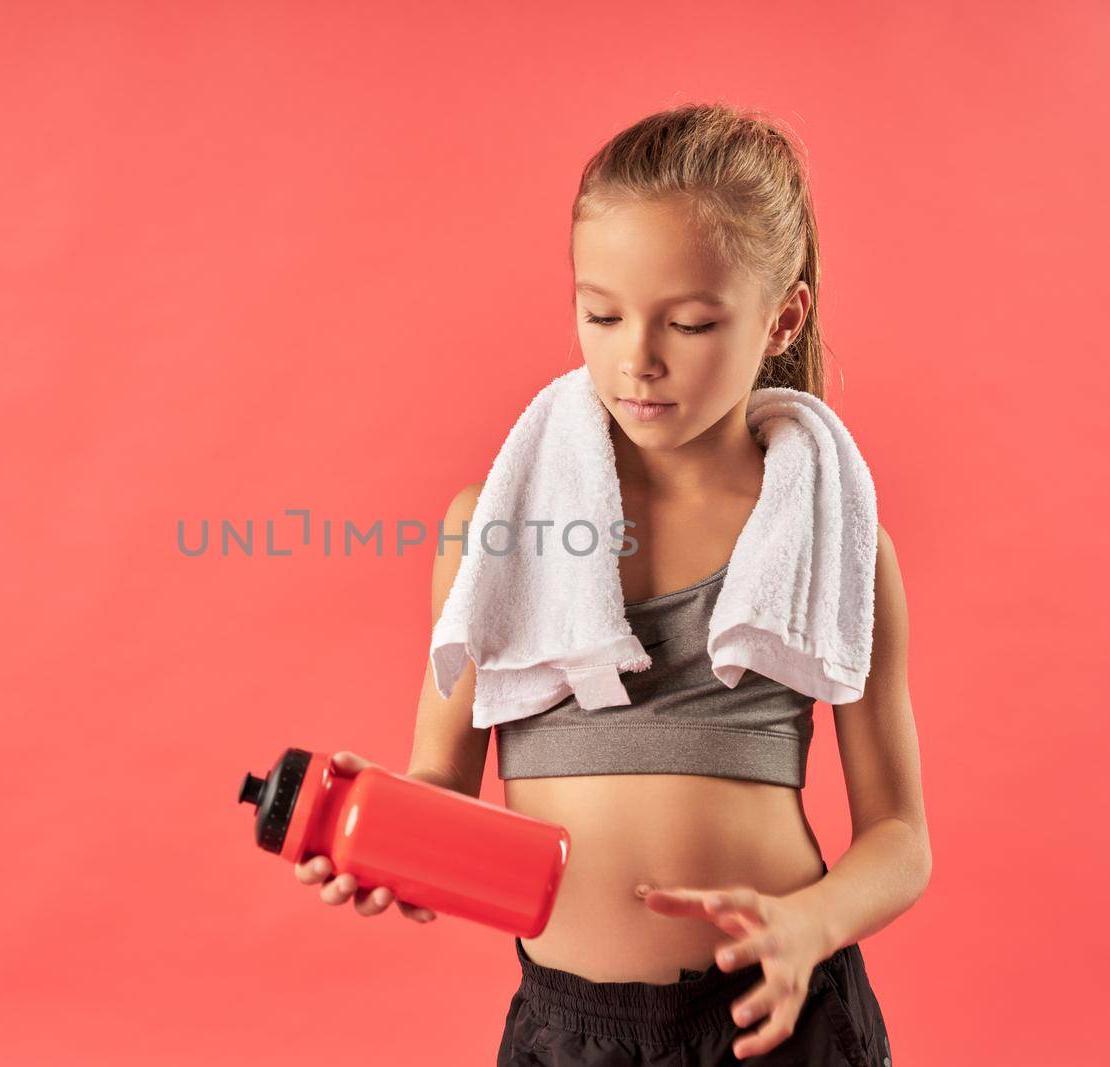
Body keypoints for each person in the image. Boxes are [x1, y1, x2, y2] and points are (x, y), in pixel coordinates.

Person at [294, 102, 929, 1065]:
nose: (637, 356)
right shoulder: (496, 529)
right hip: (569, 1032)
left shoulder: (829, 537)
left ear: (782, 316)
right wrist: (394, 848)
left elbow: (899, 837)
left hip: (778, 1020)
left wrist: (813, 923)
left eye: (689, 322)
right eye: (601, 313)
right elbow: (441, 775)